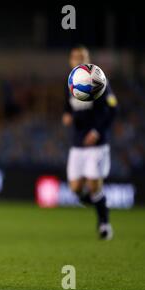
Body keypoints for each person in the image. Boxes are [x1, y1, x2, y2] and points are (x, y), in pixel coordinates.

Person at [63, 45, 118, 240]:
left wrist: (96, 131)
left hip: (96, 144)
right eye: (74, 57)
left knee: (94, 185)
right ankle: (101, 203)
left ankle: (104, 224)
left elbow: (112, 109)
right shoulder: (70, 83)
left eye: (81, 57)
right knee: (76, 189)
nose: (77, 61)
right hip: (77, 143)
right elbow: (68, 109)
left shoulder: (98, 81)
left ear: (87, 59)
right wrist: (67, 116)